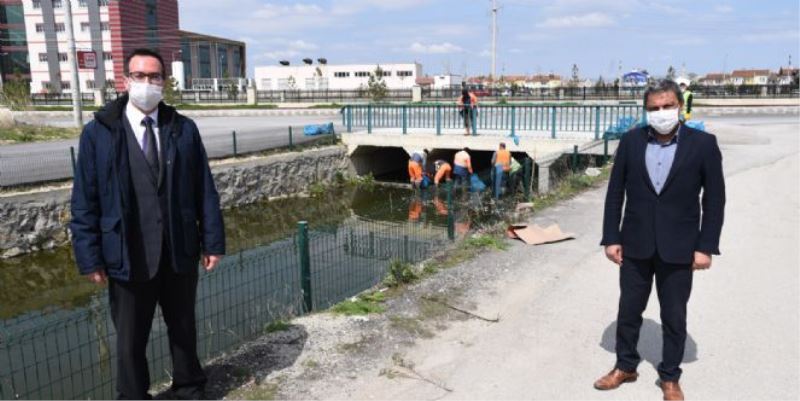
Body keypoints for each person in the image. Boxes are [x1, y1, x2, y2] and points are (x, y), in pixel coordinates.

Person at [70, 48, 225, 400]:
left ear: (165, 82)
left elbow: (205, 189)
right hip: (126, 253)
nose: (147, 83)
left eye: (154, 76)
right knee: (129, 339)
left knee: (183, 328)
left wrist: (212, 241)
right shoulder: (99, 133)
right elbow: (84, 199)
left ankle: (189, 388)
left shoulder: (183, 129)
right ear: (125, 81)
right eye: (139, 76)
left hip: (178, 249)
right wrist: (89, 257)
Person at [596, 79, 725, 401]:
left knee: (674, 315)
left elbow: (715, 200)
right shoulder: (630, 142)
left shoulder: (703, 144)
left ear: (680, 106)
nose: (661, 112)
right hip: (635, 243)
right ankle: (625, 365)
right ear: (646, 111)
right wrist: (611, 237)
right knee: (628, 310)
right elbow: (615, 195)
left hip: (680, 246)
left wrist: (705, 247)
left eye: (667, 106)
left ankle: (670, 376)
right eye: (653, 108)